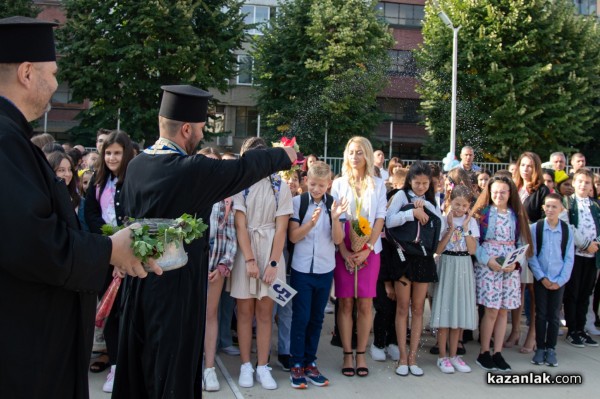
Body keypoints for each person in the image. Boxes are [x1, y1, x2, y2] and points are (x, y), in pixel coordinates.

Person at [0, 16, 155, 399]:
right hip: (25, 352)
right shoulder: (6, 140)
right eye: (51, 73)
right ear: (26, 72)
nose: (55, 84)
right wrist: (109, 249)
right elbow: (34, 244)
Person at [113, 86, 296, 399]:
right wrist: (283, 155)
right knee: (172, 372)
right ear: (186, 128)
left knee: (141, 367)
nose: (200, 134)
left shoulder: (136, 166)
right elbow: (241, 169)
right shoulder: (190, 169)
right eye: (199, 128)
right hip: (176, 289)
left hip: (139, 284)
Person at [230, 137, 293, 391]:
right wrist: (250, 260)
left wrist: (273, 262)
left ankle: (263, 365)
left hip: (271, 251)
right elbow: (240, 224)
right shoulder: (240, 185)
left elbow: (282, 229)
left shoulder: (281, 186)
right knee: (244, 312)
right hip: (246, 251)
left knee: (266, 313)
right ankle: (246, 364)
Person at [287, 161, 347, 389]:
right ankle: (296, 364)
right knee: (300, 317)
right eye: (312, 184)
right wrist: (310, 223)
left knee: (317, 318)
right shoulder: (298, 202)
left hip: (325, 269)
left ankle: (310, 362)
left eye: (321, 185)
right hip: (302, 269)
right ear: (306, 181)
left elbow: (338, 240)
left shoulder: (335, 205)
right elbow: (293, 237)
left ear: (329, 184)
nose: (316, 189)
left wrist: (334, 218)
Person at [84, 130, 135, 392]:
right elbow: (90, 213)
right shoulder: (98, 180)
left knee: (131, 313)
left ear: (126, 153)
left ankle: (130, 364)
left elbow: (137, 213)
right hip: (107, 256)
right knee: (112, 315)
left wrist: (124, 245)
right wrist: (110, 243)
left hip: (132, 257)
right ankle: (114, 366)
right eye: (108, 153)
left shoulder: (134, 179)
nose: (112, 157)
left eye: (117, 152)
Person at [332, 136, 387, 378]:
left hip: (370, 247)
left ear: (367, 155)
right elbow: (333, 217)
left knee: (365, 303)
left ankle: (361, 353)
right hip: (343, 244)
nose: (355, 157)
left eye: (360, 152)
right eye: (351, 152)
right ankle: (346, 354)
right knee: (345, 302)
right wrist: (344, 251)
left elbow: (380, 218)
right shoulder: (338, 184)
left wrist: (368, 247)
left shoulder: (378, 183)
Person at [386, 161, 442, 377]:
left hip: (424, 258)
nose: (420, 187)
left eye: (425, 183)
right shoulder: (400, 196)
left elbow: (440, 224)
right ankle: (401, 356)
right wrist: (412, 214)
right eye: (417, 182)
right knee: (403, 307)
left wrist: (425, 207)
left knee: (418, 309)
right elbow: (389, 221)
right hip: (403, 257)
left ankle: (412, 357)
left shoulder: (430, 199)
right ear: (410, 180)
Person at [472, 175, 533, 372]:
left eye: (503, 192)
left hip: (510, 266)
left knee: (503, 311)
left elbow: (523, 243)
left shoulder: (516, 215)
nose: (499, 195)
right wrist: (487, 260)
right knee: (490, 310)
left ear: (510, 193)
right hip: (489, 265)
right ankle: (484, 352)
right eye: (495, 191)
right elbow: (475, 242)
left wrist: (515, 263)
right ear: (489, 193)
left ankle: (497, 352)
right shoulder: (483, 214)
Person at [196, 148, 238, 392]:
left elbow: (230, 234)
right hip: (189, 267)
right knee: (189, 315)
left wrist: (224, 264)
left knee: (210, 315)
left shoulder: (226, 196)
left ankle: (209, 367)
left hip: (215, 267)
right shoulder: (188, 192)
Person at [506, 152, 550, 354]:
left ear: (536, 168)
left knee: (532, 290)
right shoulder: (514, 187)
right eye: (523, 164)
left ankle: (532, 334)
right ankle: (515, 331)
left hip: (533, 244)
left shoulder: (542, 190)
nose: (526, 169)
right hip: (515, 244)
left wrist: (528, 226)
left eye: (530, 166)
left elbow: (546, 218)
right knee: (517, 288)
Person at [431, 185, 478, 374]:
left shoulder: (471, 222)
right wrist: (450, 228)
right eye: (456, 204)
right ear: (450, 202)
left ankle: (454, 354)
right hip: (447, 263)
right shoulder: (443, 220)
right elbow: (438, 249)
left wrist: (465, 229)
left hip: (464, 265)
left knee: (458, 310)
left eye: (464, 205)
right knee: (445, 310)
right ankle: (442, 356)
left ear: (469, 206)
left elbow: (472, 250)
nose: (459, 208)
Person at [528, 193, 575, 366]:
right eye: (547, 206)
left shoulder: (567, 229)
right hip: (542, 279)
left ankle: (551, 348)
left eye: (554, 206)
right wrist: (542, 277)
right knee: (540, 314)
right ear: (543, 208)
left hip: (558, 280)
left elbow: (569, 258)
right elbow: (531, 256)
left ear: (561, 209)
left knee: (554, 316)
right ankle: (540, 348)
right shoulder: (536, 228)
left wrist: (560, 280)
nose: (550, 209)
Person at [560, 169, 600, 348]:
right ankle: (572, 329)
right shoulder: (567, 203)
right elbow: (568, 227)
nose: (584, 185)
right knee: (573, 292)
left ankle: (581, 328)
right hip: (575, 255)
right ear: (574, 183)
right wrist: (585, 244)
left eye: (587, 183)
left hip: (592, 256)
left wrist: (596, 244)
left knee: (586, 293)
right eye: (581, 181)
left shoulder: (596, 206)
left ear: (592, 186)